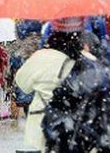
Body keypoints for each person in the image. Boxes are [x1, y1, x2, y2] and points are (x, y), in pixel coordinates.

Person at [14, 18, 81, 151]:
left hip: (40, 117)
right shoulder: (81, 59)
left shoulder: (42, 56)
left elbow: (22, 84)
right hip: (71, 122)